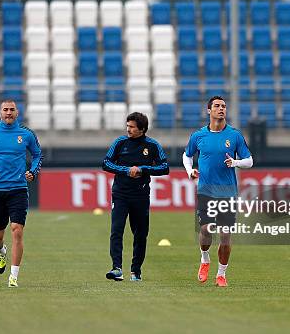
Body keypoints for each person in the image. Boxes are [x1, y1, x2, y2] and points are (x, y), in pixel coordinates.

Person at [183, 96, 253, 287]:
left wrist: (236, 162)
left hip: (227, 192)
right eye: (217, 106)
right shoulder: (198, 136)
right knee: (206, 230)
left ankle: (221, 274)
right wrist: (190, 171)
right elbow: (187, 156)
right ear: (209, 111)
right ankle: (205, 259)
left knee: (225, 235)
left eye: (223, 106)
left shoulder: (235, 135)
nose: (221, 109)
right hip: (206, 190)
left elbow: (249, 161)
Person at [0, 100, 43, 287]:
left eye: (12, 110)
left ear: (17, 112)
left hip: (18, 190)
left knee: (17, 230)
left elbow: (38, 154)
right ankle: (1, 251)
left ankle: (13, 277)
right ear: (0, 112)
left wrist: (33, 171)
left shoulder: (26, 134)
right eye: (5, 109)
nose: (8, 113)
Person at [102, 112, 169, 281]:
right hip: (120, 194)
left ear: (142, 129)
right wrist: (125, 170)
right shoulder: (120, 142)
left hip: (140, 195)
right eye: (127, 126)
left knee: (140, 234)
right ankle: (116, 268)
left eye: (132, 127)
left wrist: (143, 169)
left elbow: (164, 167)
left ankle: (135, 270)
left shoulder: (152, 145)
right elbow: (106, 163)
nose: (128, 129)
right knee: (116, 230)